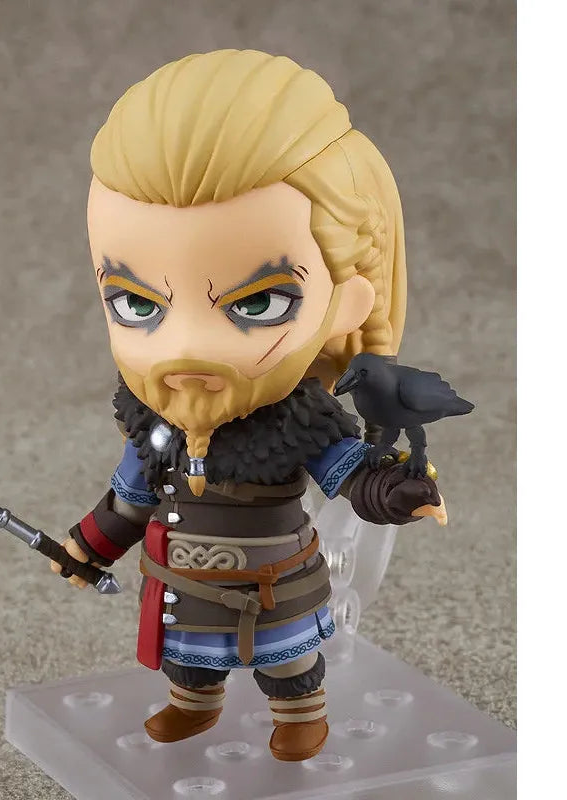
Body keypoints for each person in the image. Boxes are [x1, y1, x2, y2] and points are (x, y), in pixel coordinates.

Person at [50, 49, 444, 762]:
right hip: (185, 582)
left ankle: (301, 714)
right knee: (189, 656)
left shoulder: (297, 421)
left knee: (288, 658)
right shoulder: (154, 422)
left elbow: (350, 473)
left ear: (344, 302)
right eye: (136, 304)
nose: (185, 348)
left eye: (258, 304)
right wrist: (88, 544)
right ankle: (193, 705)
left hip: (273, 583)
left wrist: (396, 490)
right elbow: (129, 498)